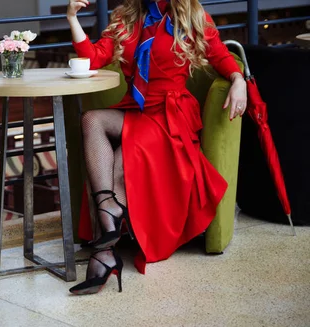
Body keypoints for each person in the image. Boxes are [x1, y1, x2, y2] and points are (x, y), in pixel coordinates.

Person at [66, 0, 248, 295]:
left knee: (122, 158)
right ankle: (109, 209)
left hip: (170, 116)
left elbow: (219, 55)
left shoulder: (191, 13)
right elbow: (94, 57)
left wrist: (239, 79)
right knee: (92, 120)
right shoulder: (127, 15)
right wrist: (72, 18)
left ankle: (103, 258)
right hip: (136, 109)